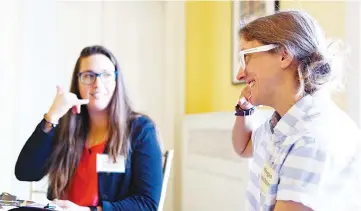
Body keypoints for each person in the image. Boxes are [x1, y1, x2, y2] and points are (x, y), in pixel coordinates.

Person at [232, 10, 361, 211]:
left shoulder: (309, 139)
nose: (240, 74)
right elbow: (243, 148)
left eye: (246, 57)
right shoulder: (281, 122)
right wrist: (243, 110)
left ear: (283, 56)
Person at [14, 45, 163, 211]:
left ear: (116, 81)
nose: (97, 84)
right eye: (89, 76)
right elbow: (25, 172)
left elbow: (147, 204)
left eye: (106, 75)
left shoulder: (140, 130)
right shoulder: (66, 125)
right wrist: (51, 117)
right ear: (77, 82)